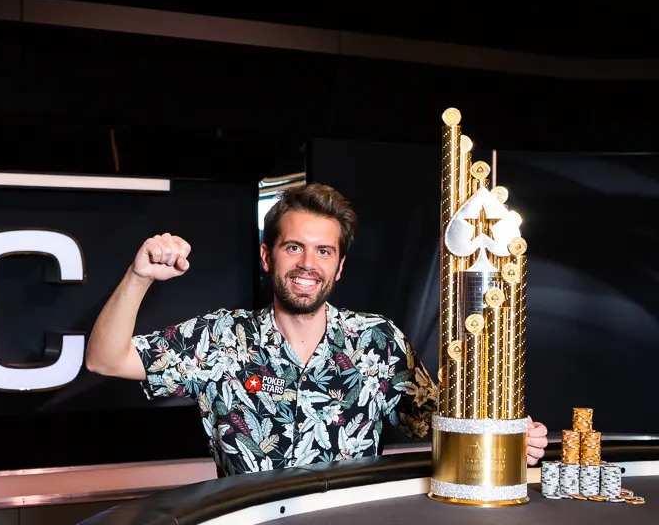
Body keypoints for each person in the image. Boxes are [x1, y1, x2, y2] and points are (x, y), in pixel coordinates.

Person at [85, 182, 549, 476]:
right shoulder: (221, 339)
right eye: (293, 247)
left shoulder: (377, 341)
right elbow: (106, 359)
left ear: (339, 267)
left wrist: (506, 436)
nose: (308, 264)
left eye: (324, 252)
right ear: (267, 257)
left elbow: (444, 423)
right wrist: (139, 276)